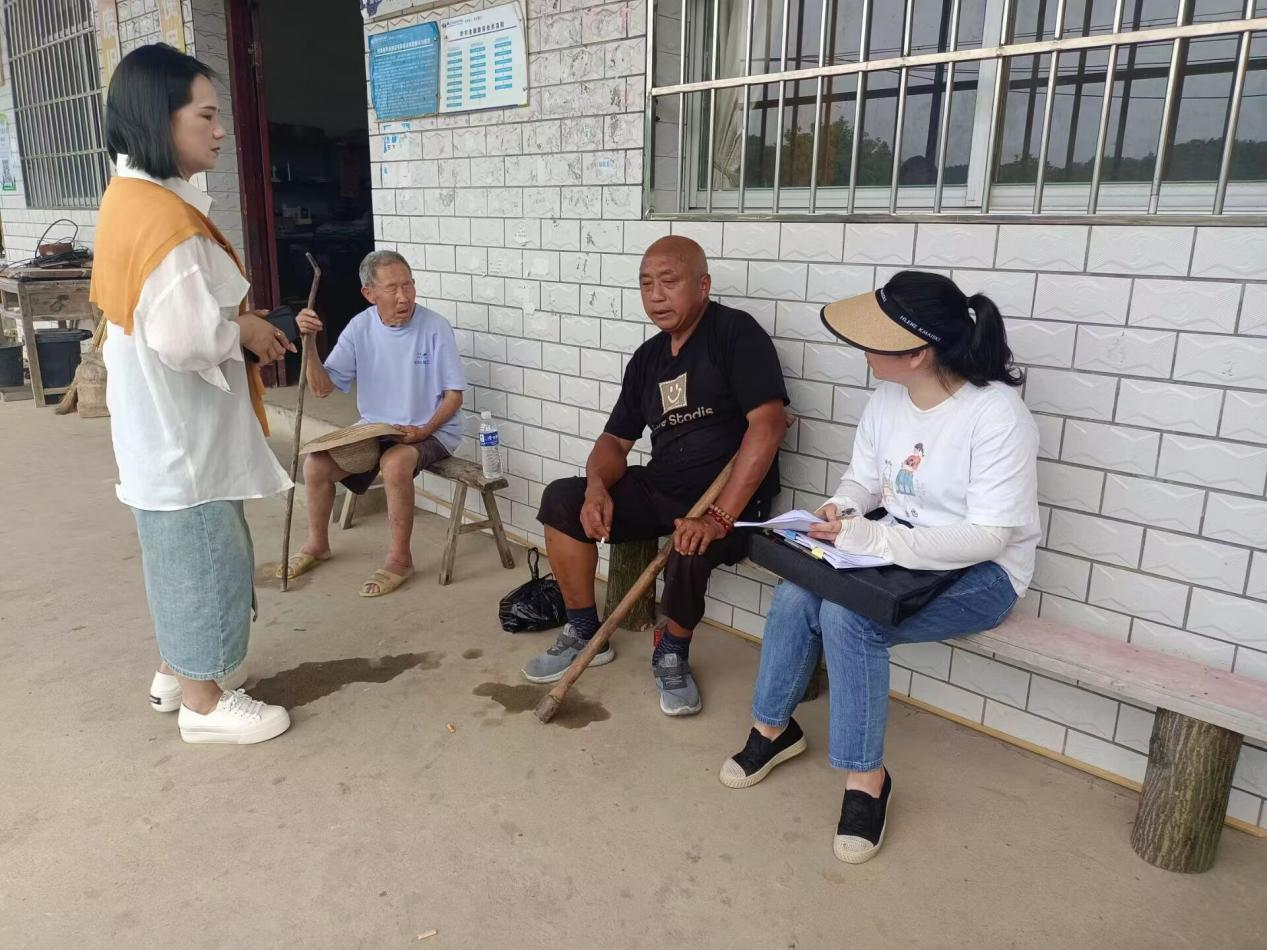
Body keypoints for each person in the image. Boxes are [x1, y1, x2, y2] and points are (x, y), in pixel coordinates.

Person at [718, 271, 1039, 864]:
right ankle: (773, 729)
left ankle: (868, 781)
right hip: (898, 550)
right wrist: (840, 511)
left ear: (918, 353)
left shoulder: (997, 415)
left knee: (849, 618)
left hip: (984, 573)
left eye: (876, 340)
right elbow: (864, 481)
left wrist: (874, 538)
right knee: (798, 592)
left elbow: (990, 535)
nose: (863, 350)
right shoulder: (890, 396)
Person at [91, 44, 293, 744]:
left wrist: (236, 327)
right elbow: (185, 339)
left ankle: (177, 671)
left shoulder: (129, 197)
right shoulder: (162, 219)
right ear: (160, 117)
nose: (220, 130)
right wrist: (244, 330)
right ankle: (205, 706)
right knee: (205, 556)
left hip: (156, 428)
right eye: (205, 115)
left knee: (176, 555)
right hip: (181, 436)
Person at [525, 236, 788, 716]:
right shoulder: (648, 358)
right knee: (563, 499)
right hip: (665, 485)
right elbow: (615, 441)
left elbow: (767, 426)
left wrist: (717, 517)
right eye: (646, 285)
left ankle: (672, 651)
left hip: (730, 503)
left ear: (703, 285)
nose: (656, 296)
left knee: (690, 545)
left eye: (669, 281)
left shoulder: (735, 334)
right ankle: (584, 630)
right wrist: (597, 488)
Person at [286, 251, 466, 597]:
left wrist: (424, 431)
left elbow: (453, 397)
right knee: (316, 465)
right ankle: (317, 544)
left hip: (432, 429)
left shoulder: (435, 327)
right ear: (369, 294)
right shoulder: (360, 327)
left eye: (408, 285)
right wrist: (308, 344)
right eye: (392, 288)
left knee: (395, 462)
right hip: (376, 428)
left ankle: (400, 560)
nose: (404, 297)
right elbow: (322, 389)